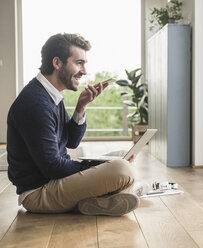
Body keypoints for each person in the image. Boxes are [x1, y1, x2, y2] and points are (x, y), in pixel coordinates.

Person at [7, 33, 139, 216]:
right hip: (39, 193)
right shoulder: (36, 103)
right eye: (79, 63)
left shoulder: (50, 94)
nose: (84, 71)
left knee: (122, 156)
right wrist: (95, 166)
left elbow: (71, 142)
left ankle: (95, 202)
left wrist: (81, 106)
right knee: (122, 168)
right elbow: (52, 166)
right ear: (57, 63)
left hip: (53, 182)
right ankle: (113, 195)